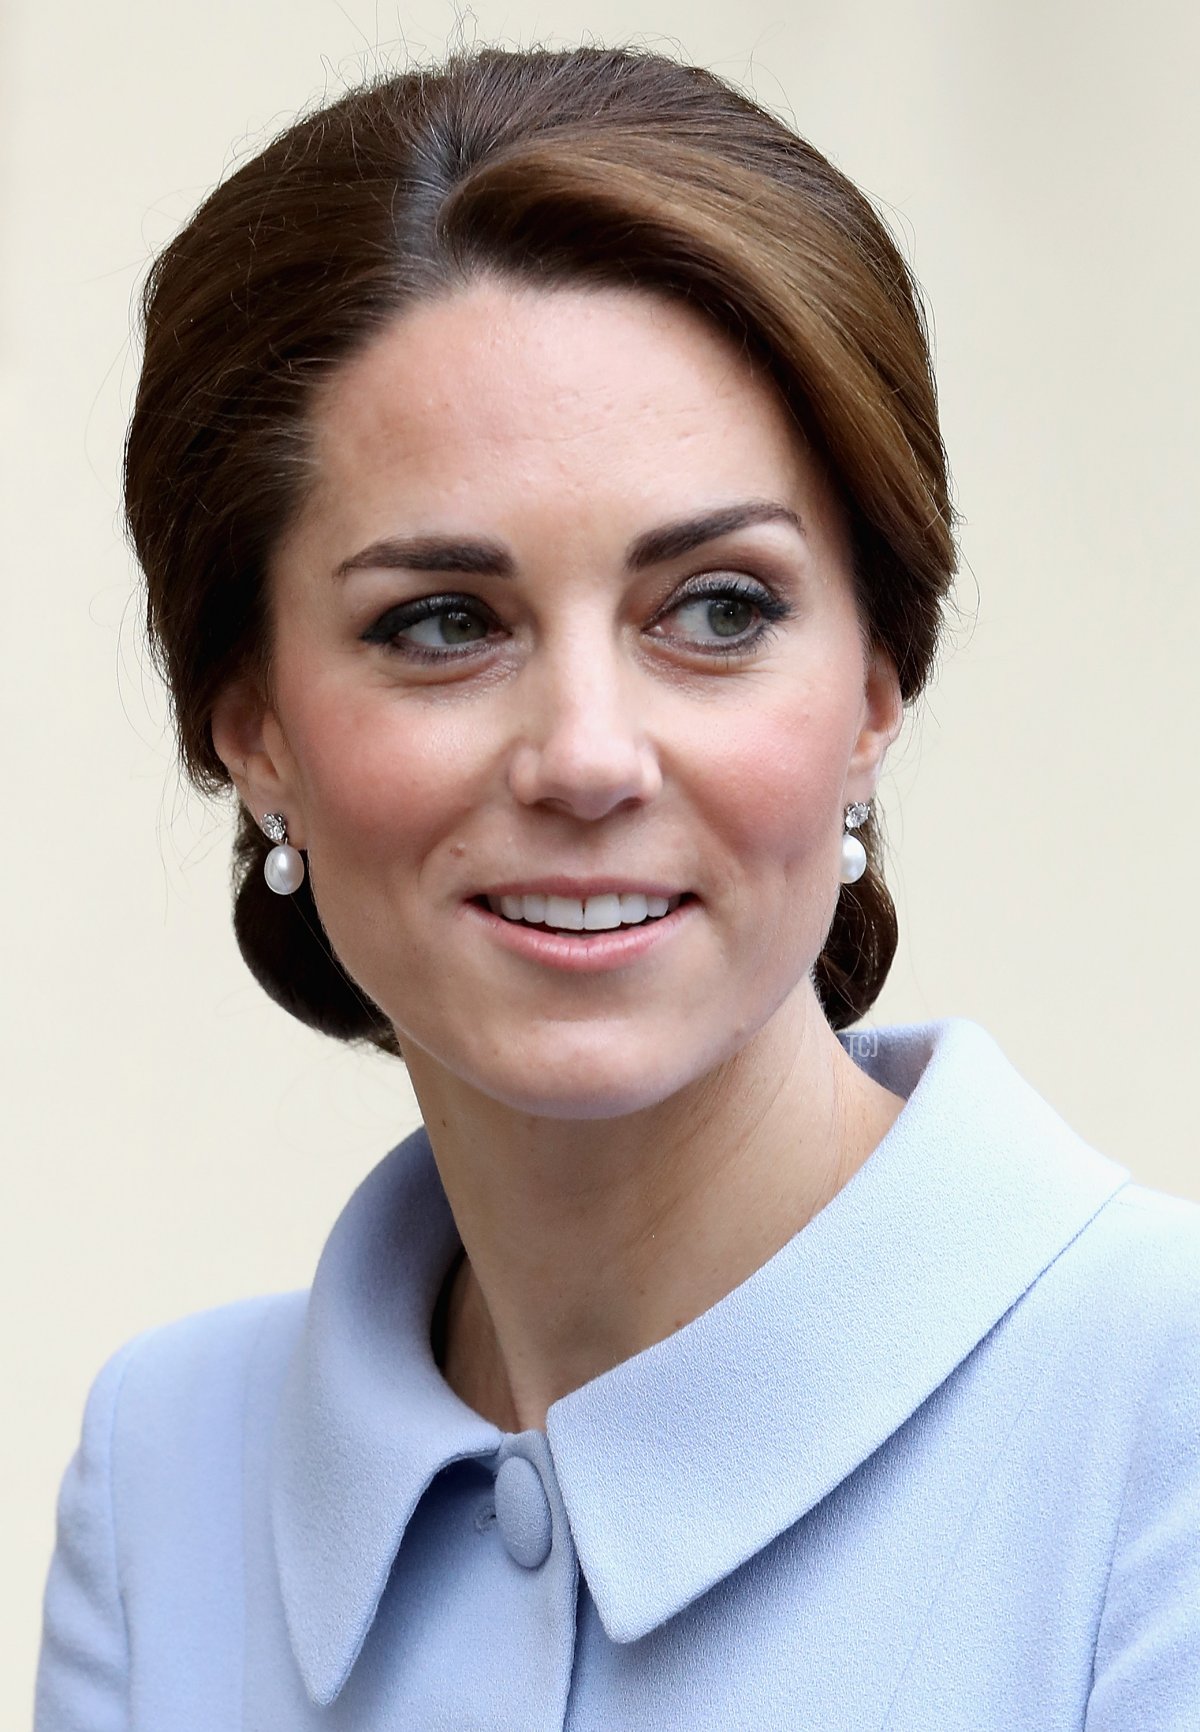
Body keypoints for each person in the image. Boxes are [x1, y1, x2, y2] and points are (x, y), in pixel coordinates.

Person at [34, 43, 1200, 1730]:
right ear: (254, 726)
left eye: (717, 609)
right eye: (442, 622)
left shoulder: (1160, 1426)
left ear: (876, 687)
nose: (587, 756)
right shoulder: (164, 1480)